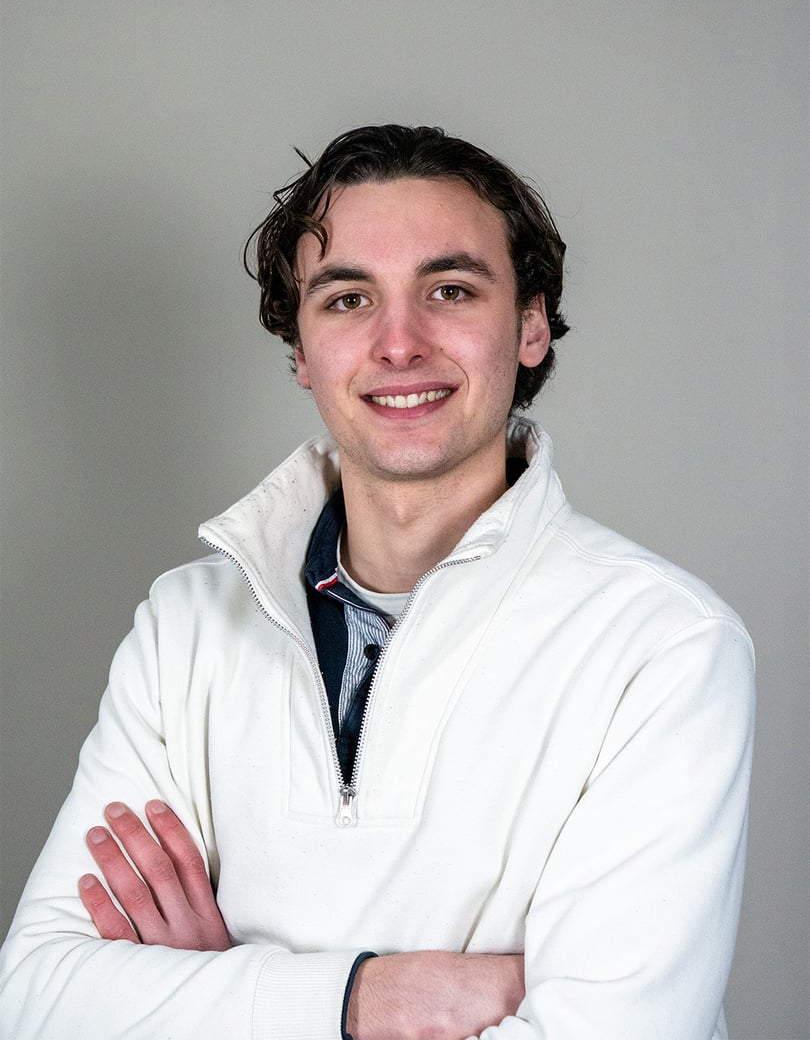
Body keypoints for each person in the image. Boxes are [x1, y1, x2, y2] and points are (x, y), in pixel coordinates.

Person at [0, 125, 755, 1040]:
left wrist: (214, 995)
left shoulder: (664, 647)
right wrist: (361, 999)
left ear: (530, 326)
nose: (399, 344)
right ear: (300, 349)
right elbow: (34, 997)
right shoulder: (185, 627)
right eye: (349, 299)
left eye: (450, 290)